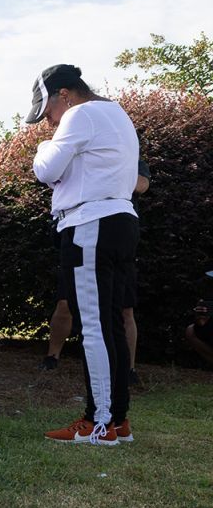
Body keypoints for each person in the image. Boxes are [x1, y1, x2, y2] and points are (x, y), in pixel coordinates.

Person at [27, 64, 139, 446]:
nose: (48, 123)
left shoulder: (79, 114)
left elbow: (46, 169)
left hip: (90, 223)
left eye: (48, 113)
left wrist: (45, 148)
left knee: (94, 326)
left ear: (64, 95)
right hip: (120, 220)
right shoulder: (116, 115)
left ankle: (99, 422)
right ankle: (118, 420)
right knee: (109, 324)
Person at [40, 160, 149, 383]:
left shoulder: (132, 159)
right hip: (82, 236)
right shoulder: (85, 156)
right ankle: (52, 357)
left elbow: (141, 185)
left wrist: (108, 176)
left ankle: (128, 369)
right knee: (65, 303)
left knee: (124, 309)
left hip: (118, 241)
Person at [187, 300, 213, 366]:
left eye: (205, 317)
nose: (201, 320)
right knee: (190, 330)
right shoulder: (193, 329)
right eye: (199, 316)